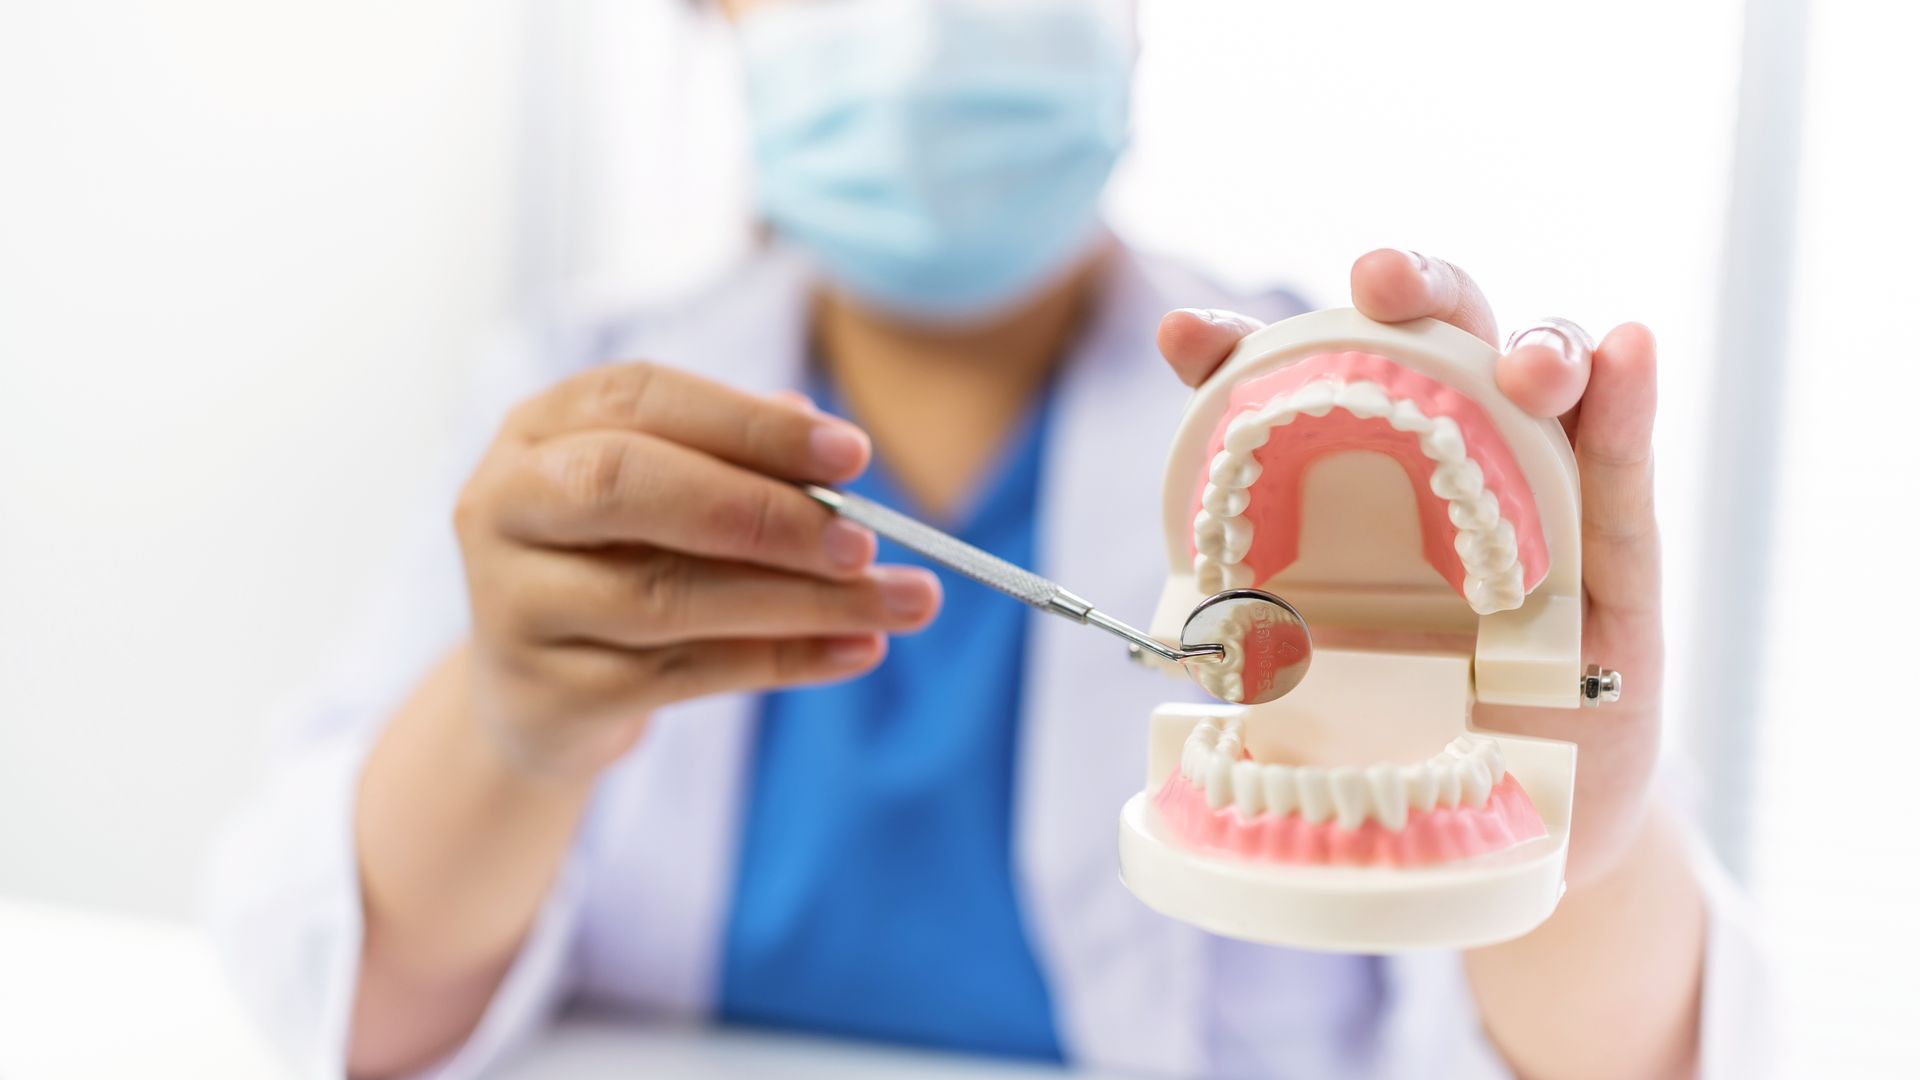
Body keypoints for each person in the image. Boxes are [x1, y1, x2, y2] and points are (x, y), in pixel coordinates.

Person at [207, 0, 1766, 1077]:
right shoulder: (567, 420)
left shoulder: (1352, 450)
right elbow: (345, 1006)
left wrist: (1578, 855)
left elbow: (1629, 1056)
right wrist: (506, 724)